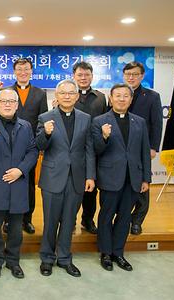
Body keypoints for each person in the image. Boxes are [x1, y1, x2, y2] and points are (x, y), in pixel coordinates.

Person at [36, 79, 95, 278]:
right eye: (63, 93)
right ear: (57, 96)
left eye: (71, 93)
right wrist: (46, 133)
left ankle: (64, 258)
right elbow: (39, 146)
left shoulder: (86, 118)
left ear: (77, 96)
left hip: (77, 177)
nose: (67, 96)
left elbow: (89, 149)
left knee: (70, 220)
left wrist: (90, 176)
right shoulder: (45, 117)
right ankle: (46, 258)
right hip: (53, 176)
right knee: (50, 220)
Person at [0, 88, 38, 279]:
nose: (7, 104)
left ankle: (13, 261)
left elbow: (33, 151)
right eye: (3, 101)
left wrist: (21, 170)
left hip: (18, 183)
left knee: (15, 229)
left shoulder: (26, 126)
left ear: (17, 104)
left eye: (11, 101)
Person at [93, 83, 151, 272]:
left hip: (133, 178)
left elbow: (143, 151)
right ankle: (106, 253)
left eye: (125, 96)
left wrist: (146, 179)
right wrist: (104, 137)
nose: (121, 99)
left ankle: (118, 252)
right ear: (111, 98)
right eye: (117, 95)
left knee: (125, 217)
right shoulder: (100, 121)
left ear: (131, 99)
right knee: (106, 215)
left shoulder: (139, 122)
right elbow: (96, 150)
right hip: (110, 177)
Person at [0, 57, 48, 234]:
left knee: (28, 183)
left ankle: (27, 218)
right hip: (6, 145)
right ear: (14, 72)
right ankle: (8, 220)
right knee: (8, 180)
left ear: (31, 71)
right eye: (19, 70)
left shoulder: (40, 93)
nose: (23, 73)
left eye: (26, 69)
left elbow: (42, 119)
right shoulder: (6, 92)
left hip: (28, 144)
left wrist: (38, 143)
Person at [122, 62, 162, 235]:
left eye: (135, 74)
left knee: (142, 185)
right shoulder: (119, 94)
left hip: (142, 149)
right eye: (128, 74)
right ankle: (124, 217)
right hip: (122, 148)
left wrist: (153, 147)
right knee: (124, 183)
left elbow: (157, 124)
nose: (131, 77)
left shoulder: (152, 96)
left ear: (142, 76)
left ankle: (137, 220)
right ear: (124, 75)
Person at [72, 61, 108, 234]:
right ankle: (69, 220)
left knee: (91, 188)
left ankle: (88, 219)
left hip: (94, 149)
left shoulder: (100, 97)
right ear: (74, 77)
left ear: (92, 76)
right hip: (74, 149)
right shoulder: (69, 95)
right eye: (80, 75)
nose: (83, 78)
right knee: (71, 187)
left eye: (87, 75)